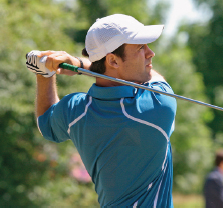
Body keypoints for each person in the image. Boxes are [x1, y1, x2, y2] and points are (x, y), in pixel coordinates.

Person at [26, 14, 177, 207]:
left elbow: (45, 121)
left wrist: (44, 74)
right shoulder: (157, 106)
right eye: (141, 47)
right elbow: (150, 76)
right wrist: (79, 64)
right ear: (113, 61)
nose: (150, 53)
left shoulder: (76, 111)